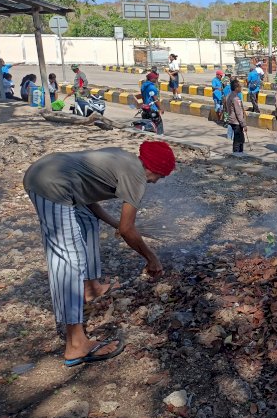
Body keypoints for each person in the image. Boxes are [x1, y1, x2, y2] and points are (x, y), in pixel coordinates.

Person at [23, 141, 176, 366]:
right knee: (68, 257)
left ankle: (89, 287)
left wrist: (115, 223)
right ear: (154, 170)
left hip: (51, 172)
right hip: (49, 183)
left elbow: (87, 194)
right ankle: (76, 345)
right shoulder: (137, 177)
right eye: (160, 177)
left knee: (87, 221)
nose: (156, 182)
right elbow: (127, 230)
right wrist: (151, 258)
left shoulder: (122, 158)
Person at [224, 79, 247, 153]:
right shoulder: (236, 99)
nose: (241, 88)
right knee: (239, 140)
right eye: (240, 86)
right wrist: (244, 124)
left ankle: (236, 154)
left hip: (231, 119)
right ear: (236, 88)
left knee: (237, 139)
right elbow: (239, 113)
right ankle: (237, 155)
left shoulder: (228, 96)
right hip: (237, 122)